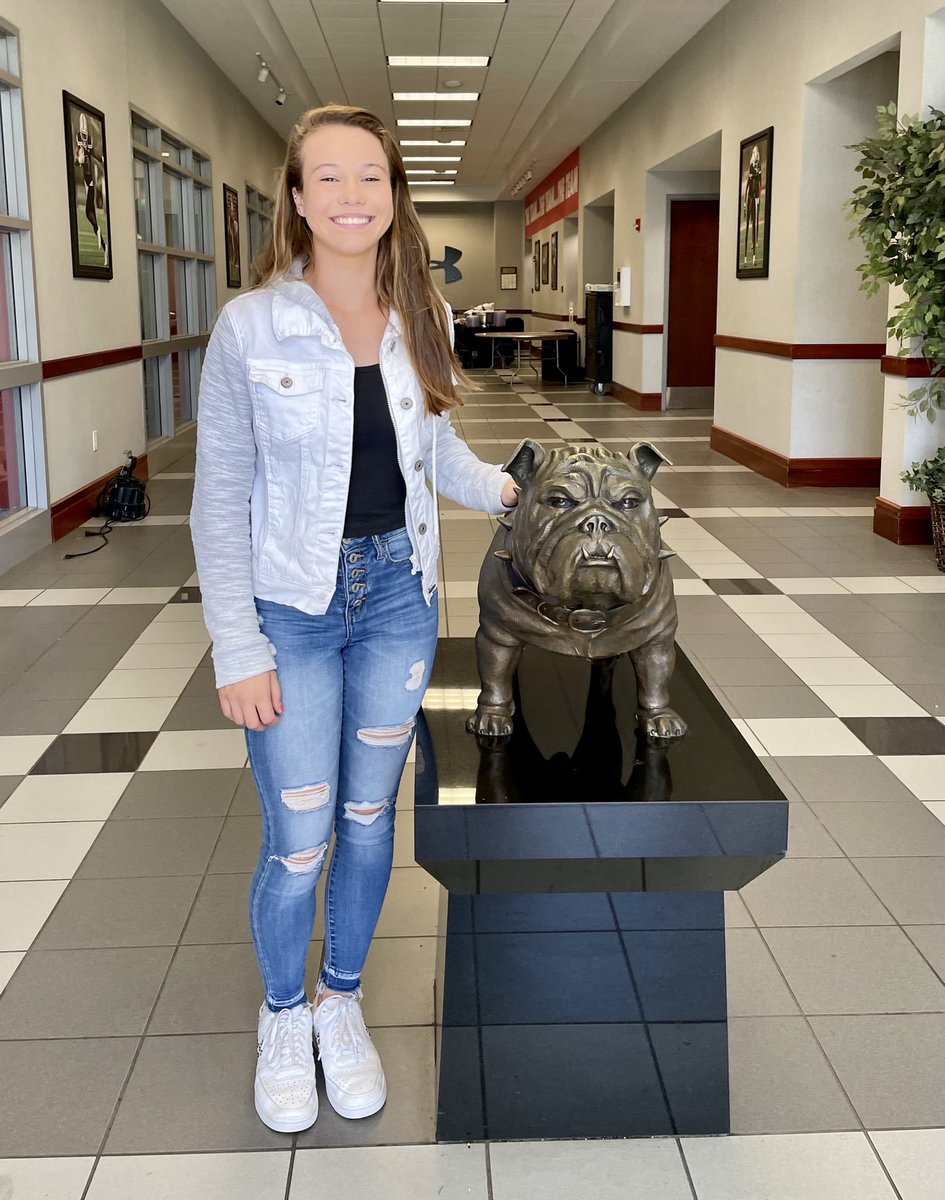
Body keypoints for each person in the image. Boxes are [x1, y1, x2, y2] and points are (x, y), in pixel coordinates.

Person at [190, 104, 519, 1134]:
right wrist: (237, 647)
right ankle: (283, 1015)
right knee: (298, 836)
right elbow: (218, 498)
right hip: (292, 607)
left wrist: (514, 491)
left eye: (368, 176)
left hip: (397, 603)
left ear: (393, 195)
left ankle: (341, 1001)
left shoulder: (426, 312)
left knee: (368, 821)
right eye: (326, 178)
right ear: (296, 198)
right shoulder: (251, 325)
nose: (348, 196)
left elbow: (441, 456)